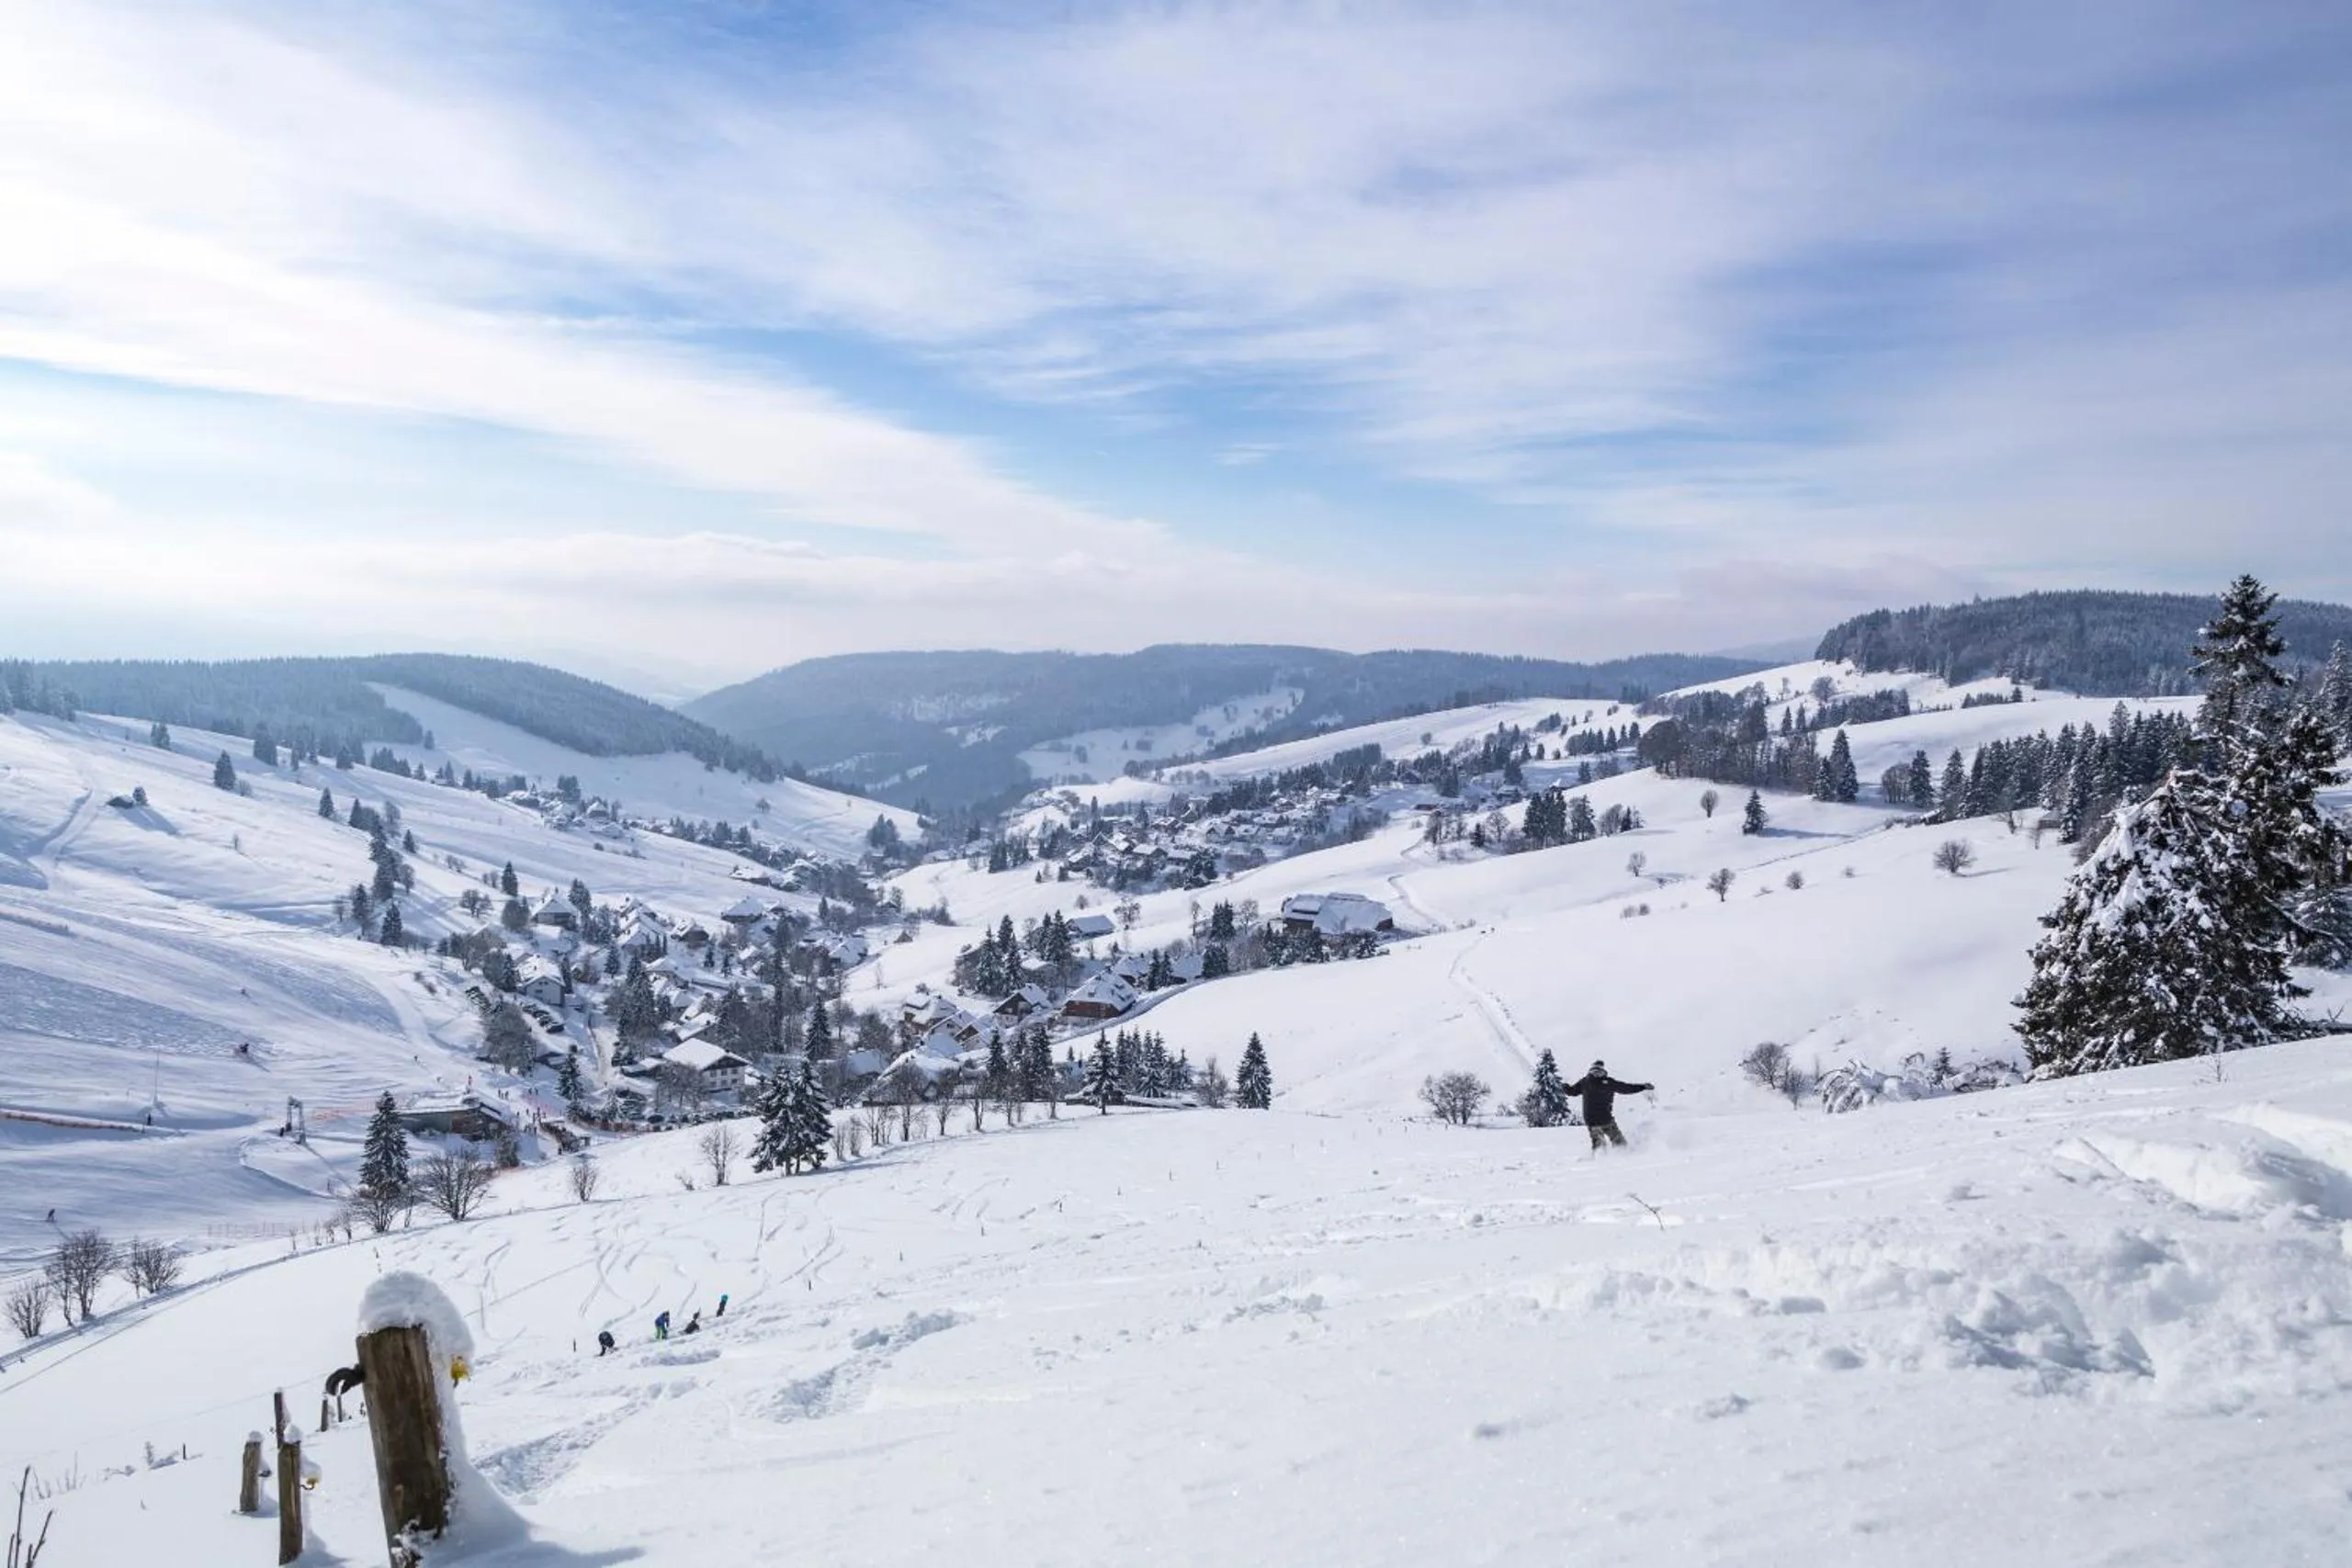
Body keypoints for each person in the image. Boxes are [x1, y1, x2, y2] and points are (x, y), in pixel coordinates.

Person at [1565, 1058, 1652, 1150]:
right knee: (1619, 1143)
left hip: (1591, 1120)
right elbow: (1626, 1088)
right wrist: (1643, 1086)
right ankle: (1624, 1157)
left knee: (1599, 1145)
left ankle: (1600, 1160)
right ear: (1603, 1069)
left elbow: (1571, 1092)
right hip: (1606, 1119)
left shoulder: (1585, 1082)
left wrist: (1564, 1086)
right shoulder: (1609, 1082)